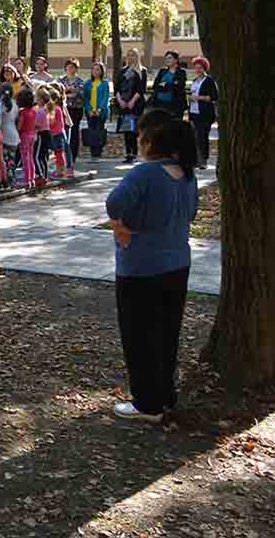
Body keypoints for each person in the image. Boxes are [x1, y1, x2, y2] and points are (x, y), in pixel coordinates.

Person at [106, 108, 198, 422]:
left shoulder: (143, 173)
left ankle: (147, 403)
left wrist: (121, 227)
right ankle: (165, 394)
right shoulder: (186, 174)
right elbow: (193, 213)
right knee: (166, 331)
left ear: (150, 139)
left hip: (141, 266)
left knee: (139, 334)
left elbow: (114, 203)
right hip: (177, 263)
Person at [187, 57, 218, 168]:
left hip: (204, 114)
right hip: (193, 112)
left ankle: (203, 161)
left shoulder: (209, 80)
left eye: (200, 68)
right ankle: (196, 160)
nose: (198, 70)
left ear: (205, 68)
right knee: (194, 137)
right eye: (196, 68)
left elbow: (214, 97)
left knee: (202, 137)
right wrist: (190, 98)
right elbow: (192, 95)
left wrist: (199, 97)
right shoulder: (195, 81)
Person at [85, 62, 112, 160]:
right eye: (93, 69)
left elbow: (105, 97)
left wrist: (99, 109)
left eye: (98, 69)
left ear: (102, 71)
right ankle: (93, 154)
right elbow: (86, 98)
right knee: (91, 131)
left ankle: (98, 153)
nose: (95, 72)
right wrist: (89, 110)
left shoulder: (105, 83)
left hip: (101, 112)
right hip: (90, 112)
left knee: (99, 131)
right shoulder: (88, 83)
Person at [151, 50, 188, 119]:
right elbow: (155, 86)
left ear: (176, 59)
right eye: (166, 58)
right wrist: (170, 85)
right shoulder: (162, 71)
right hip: (160, 104)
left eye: (170, 58)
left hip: (174, 105)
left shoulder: (181, 72)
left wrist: (163, 85)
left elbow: (179, 87)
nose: (167, 60)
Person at [17, 87, 38, 189]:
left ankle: (27, 180)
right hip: (32, 135)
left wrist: (16, 131)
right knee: (30, 157)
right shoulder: (33, 111)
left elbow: (20, 126)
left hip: (24, 136)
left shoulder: (22, 112)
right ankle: (32, 179)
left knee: (25, 158)